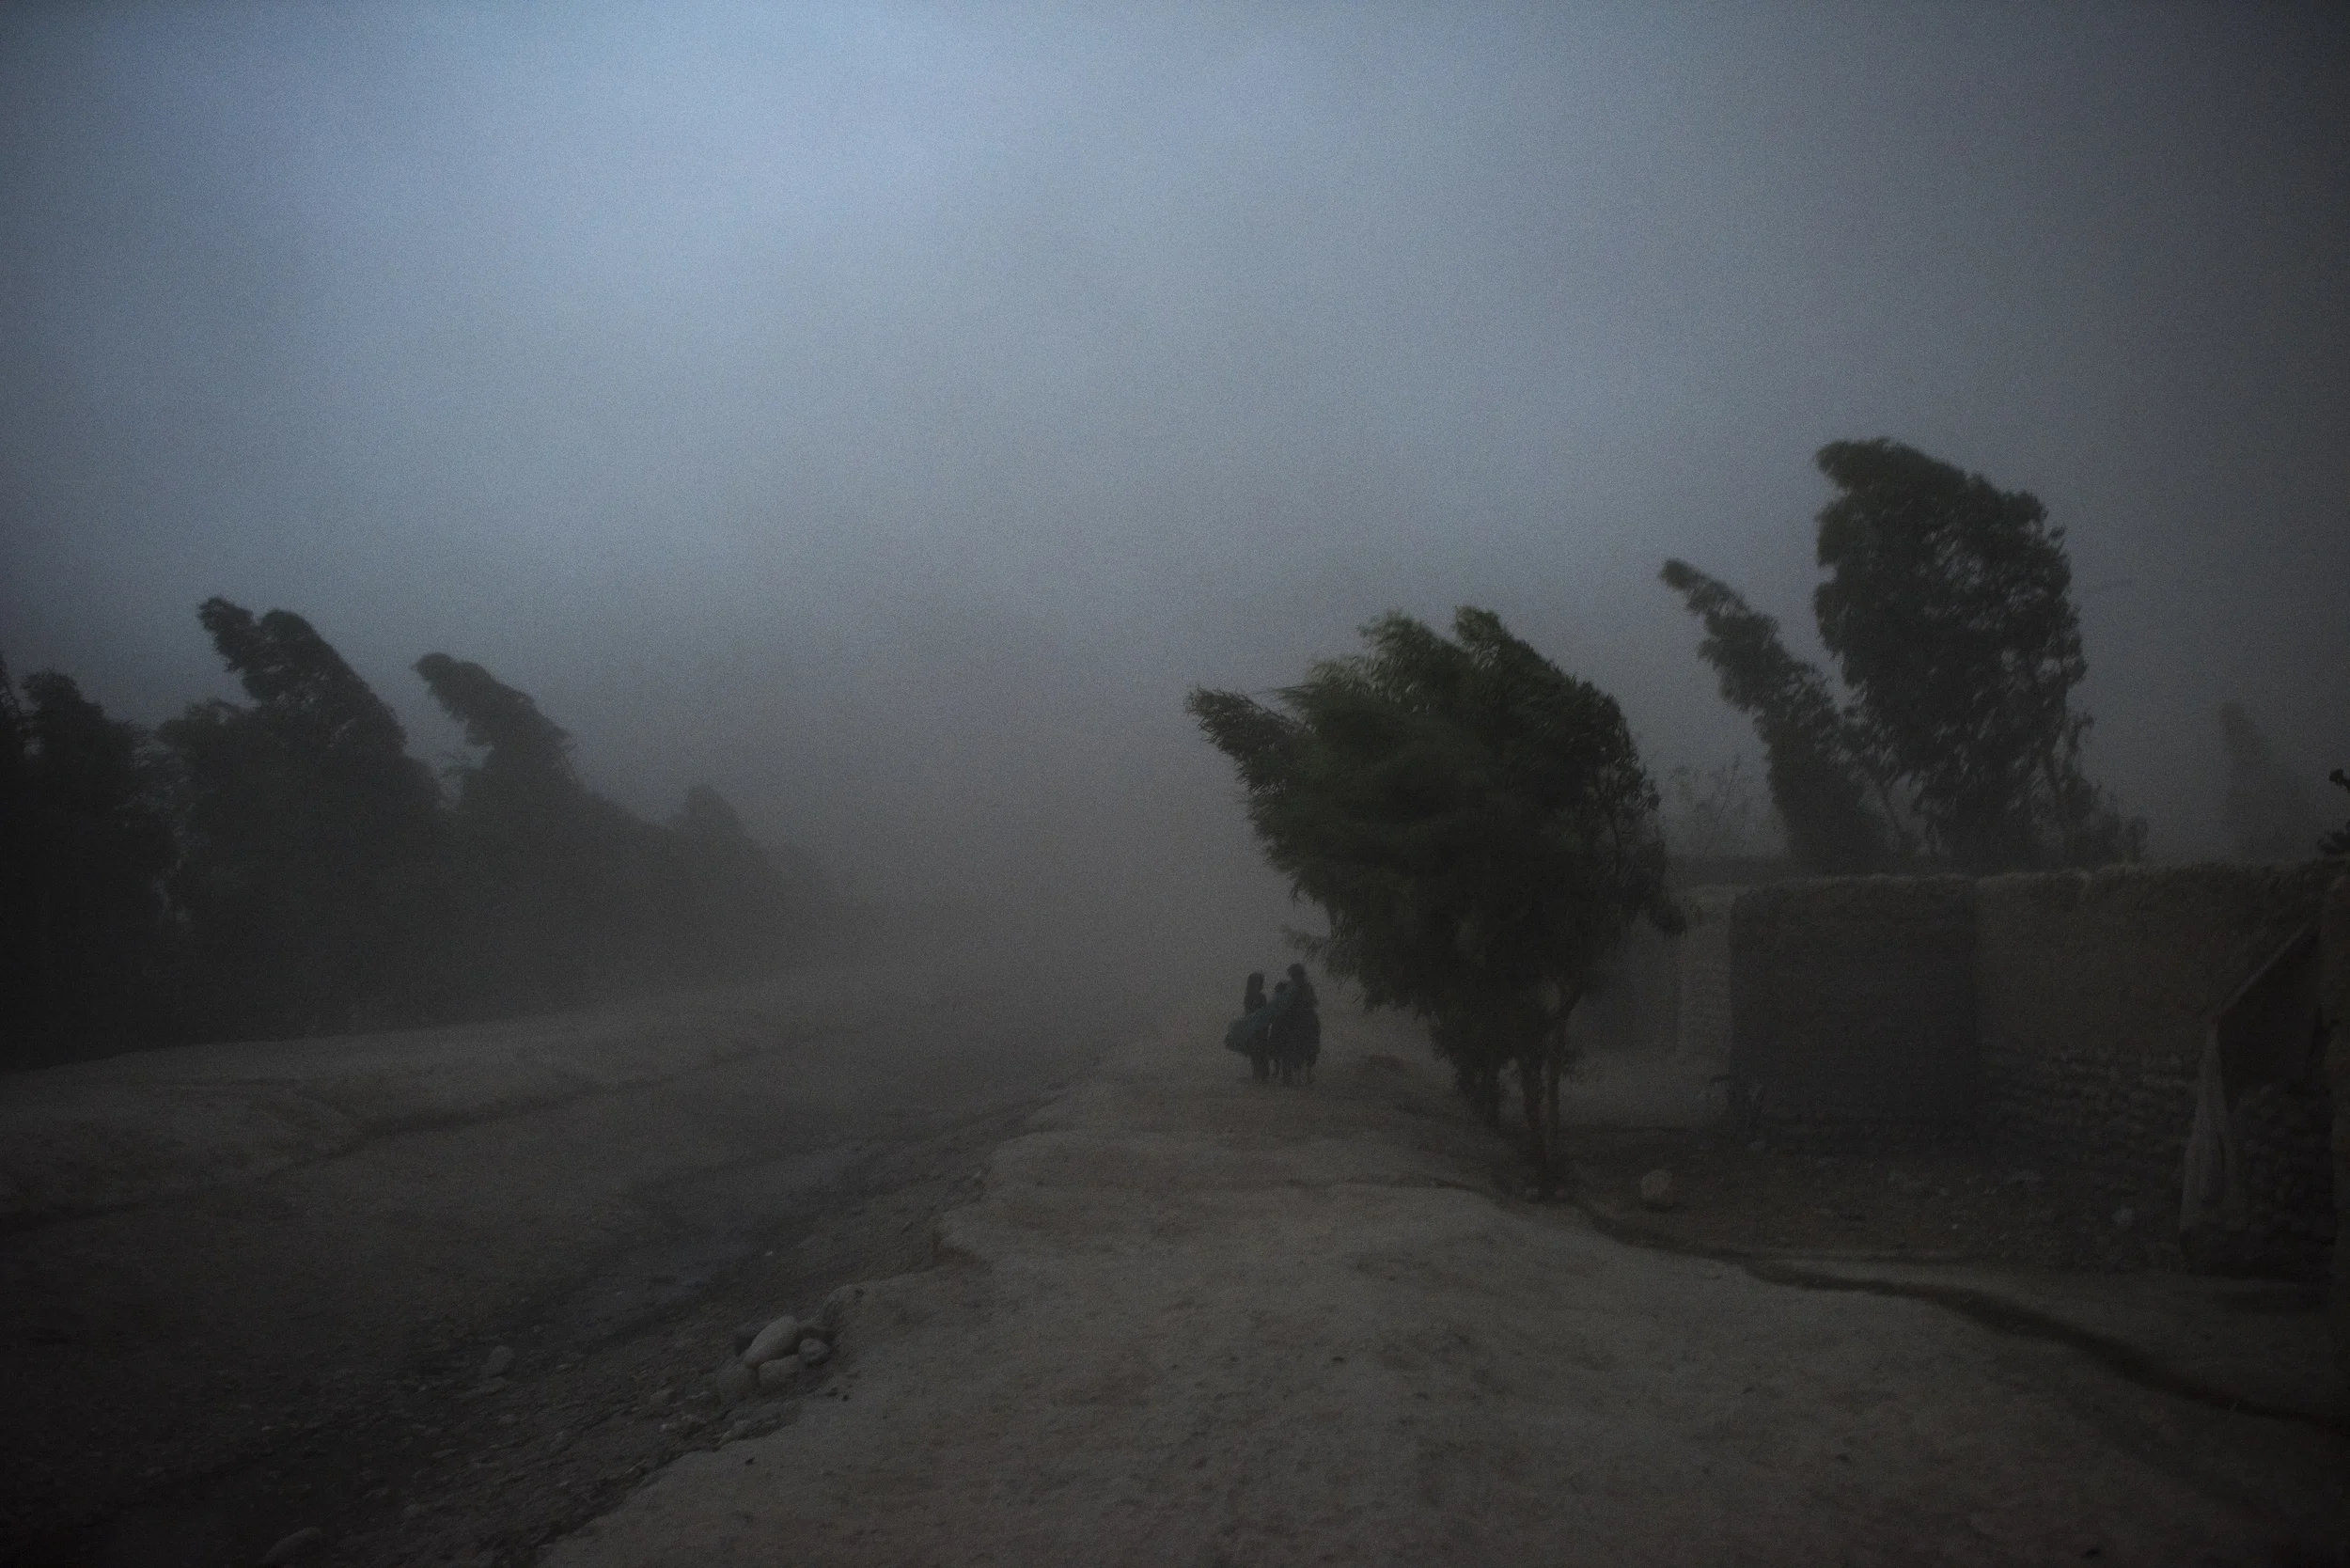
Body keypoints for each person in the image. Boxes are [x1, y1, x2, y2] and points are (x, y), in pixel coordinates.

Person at [1224, 971, 1276, 1081]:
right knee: (1254, 1052)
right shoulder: (1248, 998)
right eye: (1255, 983)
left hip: (1261, 1029)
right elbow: (1249, 1014)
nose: (1257, 986)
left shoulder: (1261, 997)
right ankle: (1257, 1075)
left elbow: (1263, 1013)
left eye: (1259, 983)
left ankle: (1262, 1076)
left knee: (1261, 1051)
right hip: (1252, 1030)